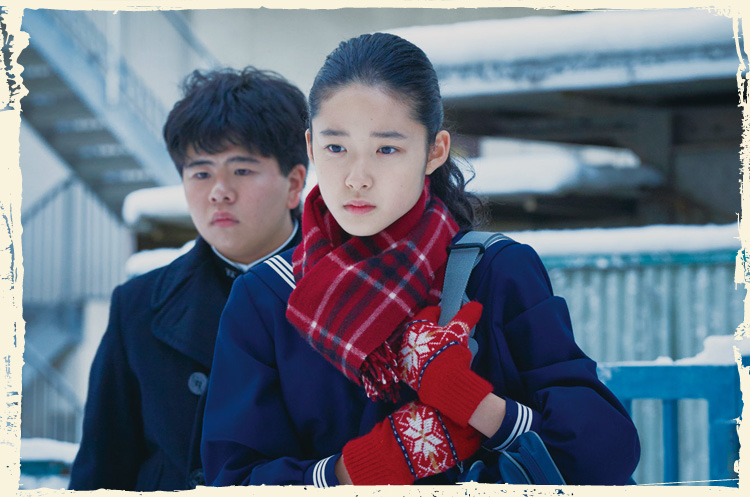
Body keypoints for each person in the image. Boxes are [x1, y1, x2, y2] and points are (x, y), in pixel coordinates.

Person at [201, 33, 640, 487]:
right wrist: (359, 469)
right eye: (336, 148)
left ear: (435, 151)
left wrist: (476, 404)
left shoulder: (495, 272)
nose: (356, 178)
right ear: (311, 147)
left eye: (387, 149)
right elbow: (232, 481)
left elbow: (607, 455)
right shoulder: (267, 298)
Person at [68, 67, 308, 491]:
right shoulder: (138, 306)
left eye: (242, 170)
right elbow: (102, 469)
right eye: (201, 173)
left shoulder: (354, 294)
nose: (219, 191)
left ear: (294, 183)